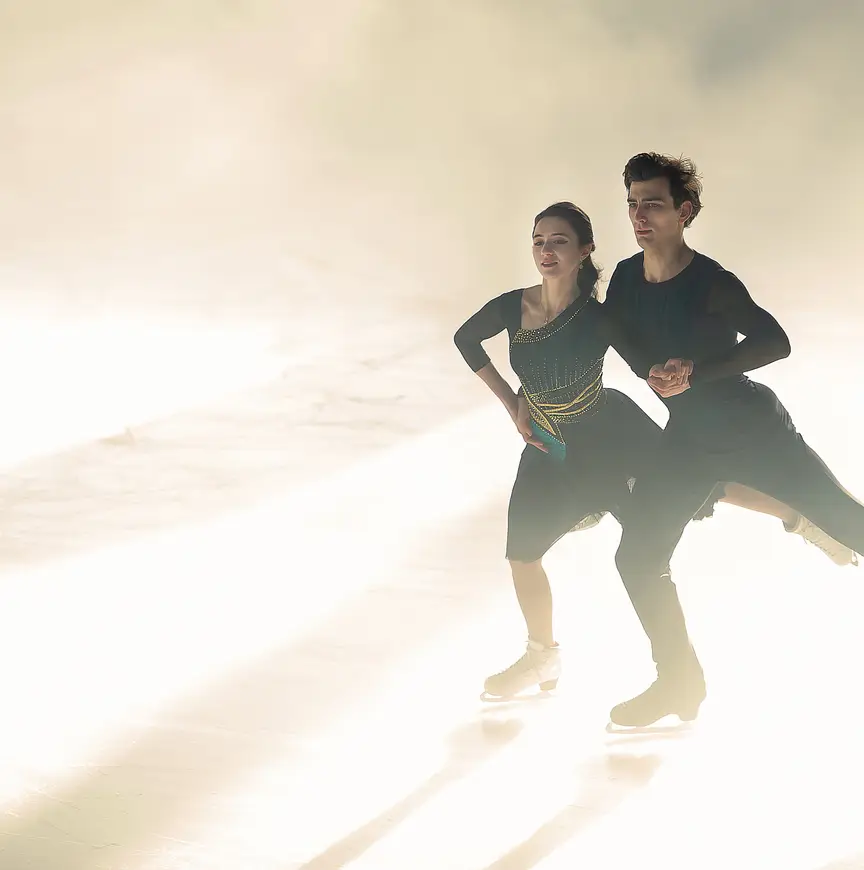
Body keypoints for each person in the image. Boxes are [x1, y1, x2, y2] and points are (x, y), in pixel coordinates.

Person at [453, 201, 851, 700]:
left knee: (708, 488)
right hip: (550, 445)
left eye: (558, 241)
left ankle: (801, 517)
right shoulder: (513, 306)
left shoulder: (598, 318)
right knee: (522, 553)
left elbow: (648, 365)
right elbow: (466, 339)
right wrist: (513, 404)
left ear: (584, 250)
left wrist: (685, 374)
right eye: (538, 241)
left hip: (610, 437)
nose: (546, 250)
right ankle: (541, 657)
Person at [602, 152, 864, 727]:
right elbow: (614, 328)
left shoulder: (712, 282)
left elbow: (775, 341)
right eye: (633, 203)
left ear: (684, 212)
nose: (639, 215)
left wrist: (695, 371)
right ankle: (679, 682)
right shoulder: (624, 277)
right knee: (637, 557)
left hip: (755, 432)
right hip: (689, 441)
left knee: (848, 522)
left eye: (653, 204)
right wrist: (650, 369)